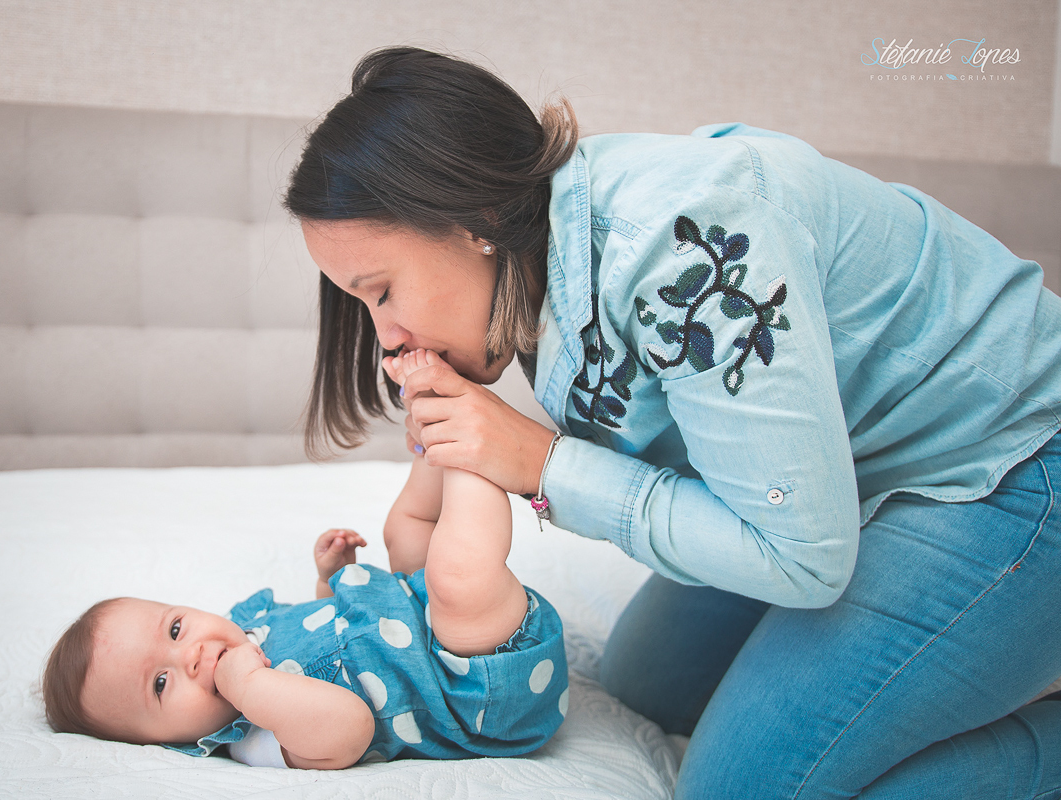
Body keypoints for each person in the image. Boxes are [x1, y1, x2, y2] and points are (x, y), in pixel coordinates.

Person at [283, 45, 1061, 798]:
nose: (385, 340)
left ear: (475, 217)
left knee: (741, 791)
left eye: (380, 291)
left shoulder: (677, 245)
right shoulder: (539, 265)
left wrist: (543, 464)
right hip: (852, 474)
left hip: (1008, 461)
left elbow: (803, 560)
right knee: (646, 686)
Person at [42, 350, 568, 768]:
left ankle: (434, 425)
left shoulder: (251, 627)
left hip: (422, 611)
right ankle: (467, 443)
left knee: (404, 529)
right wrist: (250, 688)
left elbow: (327, 635)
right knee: (457, 575)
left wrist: (330, 580)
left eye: (176, 629)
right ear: (163, 744)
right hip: (475, 684)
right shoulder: (254, 738)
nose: (192, 656)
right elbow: (347, 726)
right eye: (161, 684)